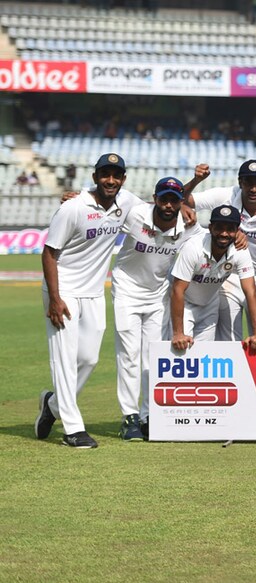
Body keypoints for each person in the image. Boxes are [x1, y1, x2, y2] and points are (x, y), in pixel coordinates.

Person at [35, 153, 142, 449]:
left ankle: (52, 405)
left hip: (94, 292)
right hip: (63, 291)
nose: (111, 180)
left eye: (116, 175)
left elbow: (163, 205)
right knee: (65, 360)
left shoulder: (127, 203)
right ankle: (73, 428)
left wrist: (189, 194)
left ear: (123, 179)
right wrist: (54, 299)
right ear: (95, 177)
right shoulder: (73, 208)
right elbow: (49, 253)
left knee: (89, 359)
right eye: (105, 174)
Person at [111, 177, 200, 441]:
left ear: (181, 201)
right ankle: (129, 417)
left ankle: (148, 415)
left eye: (175, 200)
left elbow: (212, 238)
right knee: (129, 355)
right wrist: (80, 196)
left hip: (157, 295)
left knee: (152, 359)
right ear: (155, 198)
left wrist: (239, 234)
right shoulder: (136, 214)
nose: (169, 205)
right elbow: (104, 208)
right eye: (164, 199)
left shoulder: (189, 226)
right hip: (126, 290)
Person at [184, 160, 256, 341]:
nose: (253, 188)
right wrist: (196, 180)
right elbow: (183, 199)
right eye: (248, 182)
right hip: (229, 277)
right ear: (240, 182)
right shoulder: (224, 195)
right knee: (229, 340)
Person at [168, 205, 256, 351]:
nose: (224, 233)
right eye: (219, 228)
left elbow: (250, 292)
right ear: (210, 228)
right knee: (180, 351)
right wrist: (178, 333)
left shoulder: (240, 251)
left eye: (230, 229)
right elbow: (178, 290)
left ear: (237, 231)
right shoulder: (194, 247)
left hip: (209, 304)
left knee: (204, 354)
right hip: (184, 304)